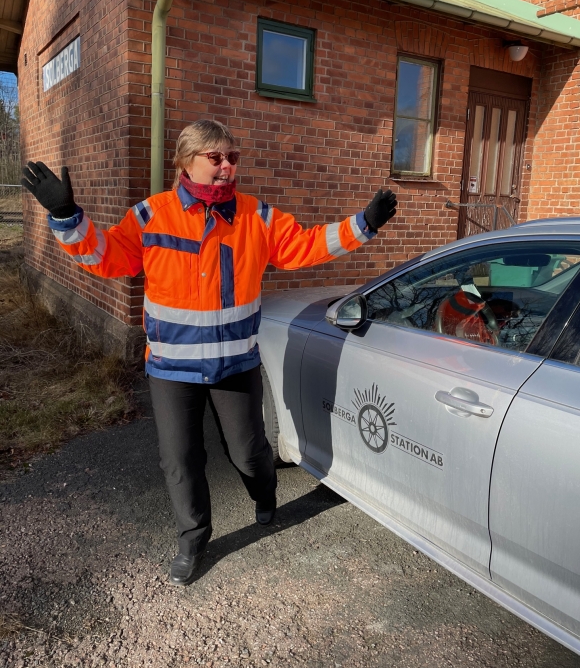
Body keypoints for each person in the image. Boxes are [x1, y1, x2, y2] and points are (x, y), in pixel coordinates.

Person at [22, 119, 397, 586]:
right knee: (180, 459)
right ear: (186, 161)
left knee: (251, 454)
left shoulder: (257, 217)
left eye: (232, 157)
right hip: (171, 369)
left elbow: (306, 245)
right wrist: (67, 217)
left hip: (236, 364)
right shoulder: (150, 215)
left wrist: (363, 225)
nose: (226, 166)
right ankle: (193, 538)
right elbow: (105, 256)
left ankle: (265, 494)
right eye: (215, 157)